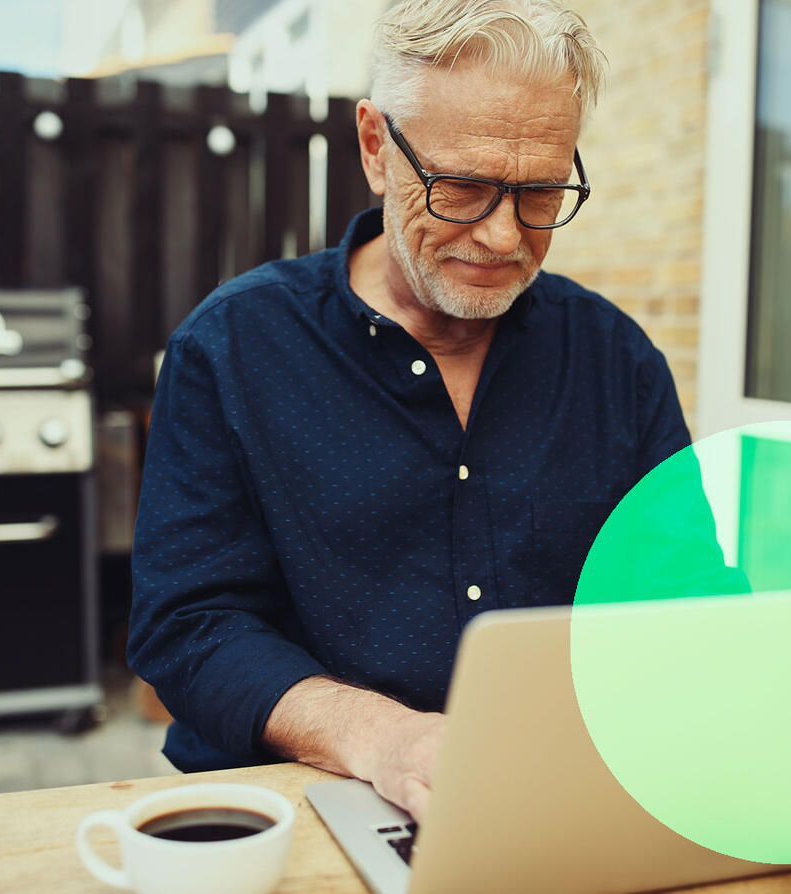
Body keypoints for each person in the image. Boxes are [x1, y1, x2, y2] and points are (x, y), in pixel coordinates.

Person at [128, 0, 695, 822]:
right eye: (461, 187)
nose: (503, 237)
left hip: (554, 795)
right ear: (374, 147)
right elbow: (187, 627)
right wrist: (379, 737)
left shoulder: (616, 358)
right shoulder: (233, 348)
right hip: (301, 801)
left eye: (539, 193)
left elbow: (680, 594)